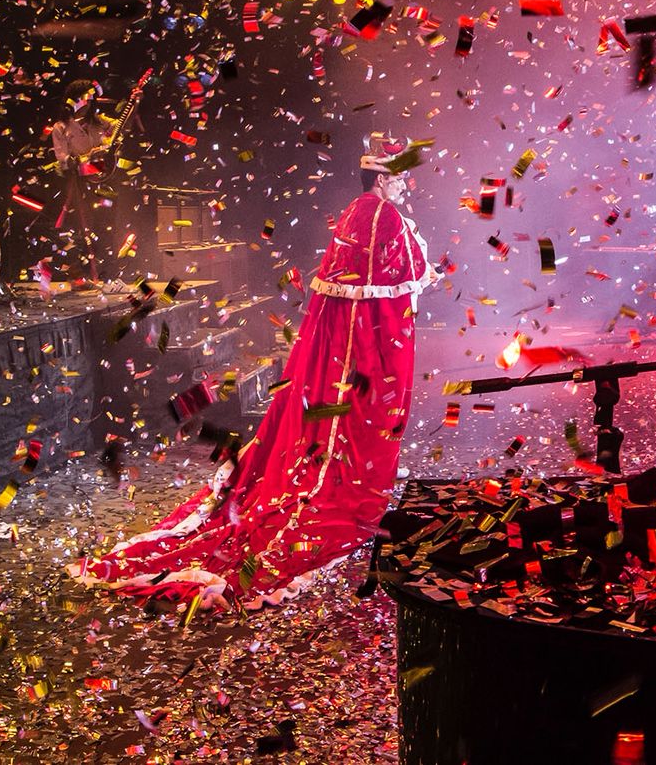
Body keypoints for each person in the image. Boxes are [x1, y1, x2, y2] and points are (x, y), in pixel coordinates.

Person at [70, 133, 437, 609]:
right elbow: (405, 275)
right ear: (383, 178)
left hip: (340, 347)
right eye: (402, 177)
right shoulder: (380, 217)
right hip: (360, 350)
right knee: (331, 468)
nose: (406, 185)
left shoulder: (354, 212)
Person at [48, 79, 112, 282]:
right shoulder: (61, 127)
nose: (89, 103)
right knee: (83, 228)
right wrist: (85, 160)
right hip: (79, 184)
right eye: (86, 98)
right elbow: (63, 160)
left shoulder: (100, 121)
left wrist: (135, 103)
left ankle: (107, 272)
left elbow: (121, 130)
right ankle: (82, 274)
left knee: (106, 224)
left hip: (104, 183)